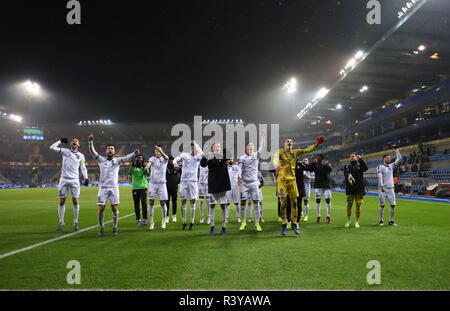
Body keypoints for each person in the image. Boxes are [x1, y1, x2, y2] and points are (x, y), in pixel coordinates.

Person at [273, 136, 326, 236]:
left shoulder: (296, 152)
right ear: (284, 144)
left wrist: (316, 144)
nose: (290, 142)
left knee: (294, 203)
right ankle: (284, 223)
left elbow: (307, 150)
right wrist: (276, 166)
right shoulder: (279, 152)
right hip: (282, 181)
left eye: (291, 141)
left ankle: (294, 223)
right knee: (283, 203)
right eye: (288, 141)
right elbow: (275, 160)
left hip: (292, 181)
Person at [88, 133, 139, 236]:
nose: (110, 150)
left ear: (114, 151)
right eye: (108, 148)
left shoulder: (117, 160)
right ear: (106, 151)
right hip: (103, 188)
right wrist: (90, 142)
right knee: (101, 208)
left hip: (114, 188)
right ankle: (101, 227)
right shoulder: (101, 160)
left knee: (114, 209)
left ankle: (115, 227)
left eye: (112, 148)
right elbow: (93, 152)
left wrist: (134, 153)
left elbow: (126, 158)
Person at [49, 137, 89, 231]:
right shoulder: (65, 151)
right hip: (64, 180)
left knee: (75, 200)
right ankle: (61, 221)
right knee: (62, 201)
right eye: (73, 141)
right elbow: (51, 147)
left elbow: (83, 168)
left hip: (75, 180)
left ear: (78, 145)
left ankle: (75, 222)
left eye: (77, 141)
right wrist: (60, 141)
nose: (75, 141)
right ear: (71, 144)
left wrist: (86, 178)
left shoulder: (81, 156)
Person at [200, 142, 233, 235]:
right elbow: (203, 164)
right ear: (212, 149)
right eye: (215, 147)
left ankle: (223, 227)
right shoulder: (209, 157)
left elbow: (229, 156)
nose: (217, 148)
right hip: (213, 184)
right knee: (212, 205)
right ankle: (212, 226)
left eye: (219, 146)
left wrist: (227, 156)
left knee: (223, 205)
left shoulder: (223, 156)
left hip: (222, 185)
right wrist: (205, 156)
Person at [238, 132, 265, 232]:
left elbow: (262, 147)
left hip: (254, 183)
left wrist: (263, 137)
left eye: (253, 146)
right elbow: (239, 168)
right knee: (243, 203)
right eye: (249, 145)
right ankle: (243, 221)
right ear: (246, 147)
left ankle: (257, 223)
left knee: (256, 203)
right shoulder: (242, 157)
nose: (251, 147)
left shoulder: (255, 155)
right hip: (245, 183)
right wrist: (239, 176)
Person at [173, 140, 203, 230]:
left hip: (193, 182)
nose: (193, 149)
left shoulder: (198, 157)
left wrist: (196, 143)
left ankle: (192, 222)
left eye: (195, 148)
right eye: (192, 147)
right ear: (190, 148)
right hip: (184, 182)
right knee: (183, 201)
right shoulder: (185, 155)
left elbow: (202, 154)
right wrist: (174, 163)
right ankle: (184, 222)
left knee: (193, 201)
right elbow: (177, 158)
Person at [145, 145, 169, 230]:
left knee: (163, 203)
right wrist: (147, 166)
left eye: (159, 150)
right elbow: (149, 163)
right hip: (152, 183)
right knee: (151, 202)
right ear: (155, 151)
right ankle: (152, 222)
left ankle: (163, 220)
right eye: (156, 150)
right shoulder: (152, 158)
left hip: (162, 184)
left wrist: (161, 151)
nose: (158, 151)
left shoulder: (165, 159)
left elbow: (166, 157)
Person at [377, 145, 402, 226]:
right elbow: (379, 177)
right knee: (382, 205)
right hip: (383, 189)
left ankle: (391, 220)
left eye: (389, 158)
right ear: (383, 159)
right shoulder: (380, 167)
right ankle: (381, 220)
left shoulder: (391, 166)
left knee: (393, 205)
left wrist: (396, 149)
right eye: (387, 158)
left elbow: (399, 158)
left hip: (391, 188)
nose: (389, 159)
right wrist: (381, 186)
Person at [305, 154, 333, 224]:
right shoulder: (315, 164)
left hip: (326, 185)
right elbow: (308, 168)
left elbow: (330, 169)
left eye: (317, 157)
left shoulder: (326, 162)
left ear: (320, 158)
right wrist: (313, 163)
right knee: (318, 201)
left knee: (328, 200)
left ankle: (328, 216)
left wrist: (326, 164)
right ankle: (318, 216)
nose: (316, 158)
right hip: (318, 185)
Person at [343, 153, 368, 228]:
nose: (352, 157)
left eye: (353, 156)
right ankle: (348, 220)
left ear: (356, 157)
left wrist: (360, 159)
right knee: (349, 204)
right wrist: (349, 176)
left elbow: (366, 168)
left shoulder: (359, 164)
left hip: (359, 188)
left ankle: (357, 221)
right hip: (350, 188)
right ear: (349, 158)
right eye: (350, 156)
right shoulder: (346, 166)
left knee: (358, 205)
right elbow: (345, 174)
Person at [128, 154, 149, 226]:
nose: (139, 159)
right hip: (135, 188)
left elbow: (147, 173)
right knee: (136, 205)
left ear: (142, 159)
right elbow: (130, 172)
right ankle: (138, 220)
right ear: (135, 159)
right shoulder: (133, 167)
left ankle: (145, 220)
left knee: (144, 204)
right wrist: (132, 165)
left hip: (143, 187)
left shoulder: (144, 166)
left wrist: (145, 167)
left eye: (140, 158)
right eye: (138, 158)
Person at [166, 155, 181, 223]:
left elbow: (181, 172)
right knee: (167, 202)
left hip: (175, 187)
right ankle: (167, 216)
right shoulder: (166, 167)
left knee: (174, 202)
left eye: (172, 160)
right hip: (167, 187)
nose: (171, 161)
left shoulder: (176, 167)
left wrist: (179, 181)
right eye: (170, 160)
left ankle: (174, 215)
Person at [301, 157, 314, 222]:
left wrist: (309, 177)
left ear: (308, 162)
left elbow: (313, 177)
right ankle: (301, 214)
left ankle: (306, 216)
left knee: (306, 201)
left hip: (307, 185)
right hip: (300, 185)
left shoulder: (310, 168)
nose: (305, 161)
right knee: (299, 200)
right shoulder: (300, 167)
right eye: (304, 160)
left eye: (306, 160)